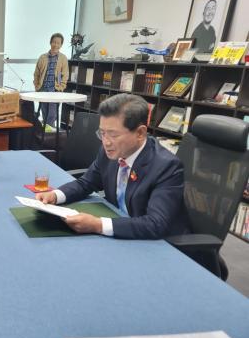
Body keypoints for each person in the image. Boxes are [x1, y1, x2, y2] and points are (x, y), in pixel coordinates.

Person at [36, 93, 190, 240]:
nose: (106, 142)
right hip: (120, 228)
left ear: (140, 133)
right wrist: (55, 195)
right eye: (102, 133)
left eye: (113, 135)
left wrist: (98, 225)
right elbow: (86, 183)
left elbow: (155, 224)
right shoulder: (109, 152)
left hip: (158, 244)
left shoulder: (166, 166)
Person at [33, 33, 69, 132]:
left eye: (58, 43)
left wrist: (61, 87)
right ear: (50, 42)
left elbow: (65, 74)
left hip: (55, 90)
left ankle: (48, 134)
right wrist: (37, 86)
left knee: (52, 115)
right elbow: (36, 73)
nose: (55, 44)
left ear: (61, 45)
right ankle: (46, 134)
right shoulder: (42, 57)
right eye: (54, 42)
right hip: (43, 89)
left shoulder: (63, 58)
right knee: (44, 113)